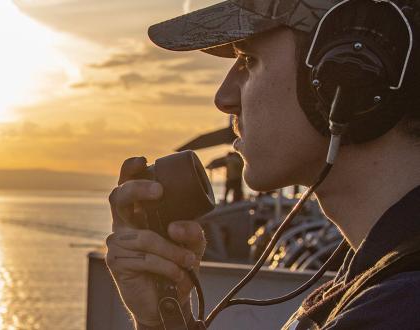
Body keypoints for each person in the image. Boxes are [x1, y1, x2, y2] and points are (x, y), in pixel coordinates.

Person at [106, 1, 420, 329]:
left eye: (249, 60)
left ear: (344, 77)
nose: (223, 98)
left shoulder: (398, 308)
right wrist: (163, 316)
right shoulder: (374, 283)